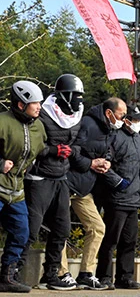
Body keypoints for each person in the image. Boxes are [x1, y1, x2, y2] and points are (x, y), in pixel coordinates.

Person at [21, 75, 86, 291]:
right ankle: (12, 273)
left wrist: (71, 151)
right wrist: (53, 150)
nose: (78, 100)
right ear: (64, 95)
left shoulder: (78, 114)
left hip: (61, 177)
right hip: (39, 178)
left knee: (62, 228)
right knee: (30, 229)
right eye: (75, 95)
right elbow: (32, 145)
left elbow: (79, 145)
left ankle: (50, 274)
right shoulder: (44, 113)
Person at [62, 98, 125, 290]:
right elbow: (73, 152)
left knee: (97, 227)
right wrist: (91, 163)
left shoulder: (109, 129)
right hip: (66, 183)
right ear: (109, 113)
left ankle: (86, 273)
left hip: (84, 188)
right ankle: (61, 273)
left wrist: (106, 162)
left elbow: (102, 152)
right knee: (60, 230)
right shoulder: (88, 125)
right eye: (121, 115)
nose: (123, 119)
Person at [0, 81, 47, 293]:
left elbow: (39, 150)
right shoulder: (2, 122)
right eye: (34, 103)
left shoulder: (38, 126)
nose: (39, 107)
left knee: (22, 232)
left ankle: (7, 277)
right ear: (20, 105)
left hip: (17, 190)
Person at [96, 105, 140, 289]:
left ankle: (125, 277)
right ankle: (104, 276)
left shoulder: (139, 139)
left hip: (134, 199)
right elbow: (105, 165)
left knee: (129, 241)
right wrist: (117, 182)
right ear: (126, 120)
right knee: (110, 240)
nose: (139, 124)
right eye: (136, 120)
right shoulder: (115, 137)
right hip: (117, 199)